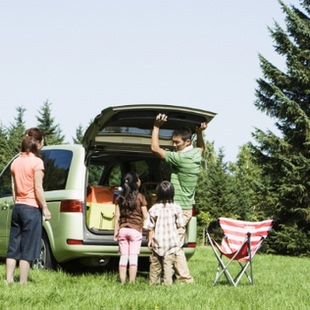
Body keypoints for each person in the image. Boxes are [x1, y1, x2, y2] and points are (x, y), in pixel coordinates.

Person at [151, 113, 207, 283]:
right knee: (176, 244)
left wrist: (156, 126)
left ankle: (185, 278)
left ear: (187, 142)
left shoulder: (181, 158)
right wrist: (200, 133)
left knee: (175, 246)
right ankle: (181, 277)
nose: (174, 146)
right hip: (186, 207)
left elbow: (155, 148)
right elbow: (202, 147)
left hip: (179, 208)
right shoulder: (196, 155)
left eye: (177, 143)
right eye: (173, 142)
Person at [6, 128, 52, 285]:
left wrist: (18, 200)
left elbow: (14, 188)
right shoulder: (37, 162)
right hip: (31, 209)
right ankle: (23, 282)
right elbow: (38, 188)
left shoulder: (16, 161)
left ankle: (9, 279)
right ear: (36, 143)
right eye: (42, 141)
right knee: (28, 247)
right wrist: (45, 208)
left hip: (18, 207)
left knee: (13, 246)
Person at [144, 181, 185, 285]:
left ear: (158, 194)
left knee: (155, 266)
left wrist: (149, 240)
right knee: (168, 266)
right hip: (171, 243)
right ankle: (167, 284)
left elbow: (149, 227)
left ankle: (153, 283)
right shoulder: (177, 208)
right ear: (172, 193)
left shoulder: (154, 209)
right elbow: (181, 224)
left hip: (157, 242)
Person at [113, 171, 148, 284]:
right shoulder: (140, 197)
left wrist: (115, 231)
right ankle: (132, 281)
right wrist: (147, 230)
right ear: (136, 183)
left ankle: (122, 282)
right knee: (133, 257)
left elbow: (117, 216)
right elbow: (145, 216)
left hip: (123, 230)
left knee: (123, 256)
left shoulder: (120, 198)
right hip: (135, 231)